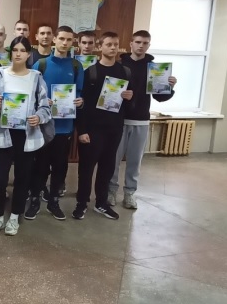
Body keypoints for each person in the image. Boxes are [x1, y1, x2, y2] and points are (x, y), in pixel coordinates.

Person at [0, 36, 51, 236]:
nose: (19, 54)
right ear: (10, 52)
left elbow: (45, 107)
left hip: (27, 135)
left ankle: (14, 217)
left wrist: (38, 117)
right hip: (3, 135)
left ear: (29, 54)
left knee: (22, 179)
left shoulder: (36, 77)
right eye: (15, 50)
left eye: (23, 50)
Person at [108, 30, 177, 209]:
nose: (141, 46)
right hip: (119, 120)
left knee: (134, 161)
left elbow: (160, 98)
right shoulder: (119, 65)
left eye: (145, 43)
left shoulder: (155, 69)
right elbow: (109, 94)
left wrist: (169, 87)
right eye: (138, 42)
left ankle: (130, 193)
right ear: (131, 43)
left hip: (141, 121)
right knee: (113, 159)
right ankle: (111, 191)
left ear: (148, 45)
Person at [73, 32, 133, 221]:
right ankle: (81, 203)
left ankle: (101, 203)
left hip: (114, 129)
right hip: (92, 129)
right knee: (86, 169)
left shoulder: (125, 72)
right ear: (100, 47)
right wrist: (82, 130)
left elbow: (128, 106)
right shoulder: (91, 72)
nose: (113, 47)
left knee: (107, 167)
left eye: (115, 44)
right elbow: (82, 105)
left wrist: (129, 98)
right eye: (108, 44)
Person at [25, 25, 83, 221]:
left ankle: (54, 202)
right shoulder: (41, 64)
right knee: (40, 166)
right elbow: (31, 94)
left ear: (72, 42)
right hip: (43, 126)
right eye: (62, 39)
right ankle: (34, 200)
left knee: (60, 167)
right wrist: (42, 102)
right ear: (54, 39)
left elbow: (80, 93)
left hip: (64, 127)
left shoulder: (76, 66)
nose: (65, 43)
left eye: (69, 40)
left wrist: (80, 101)